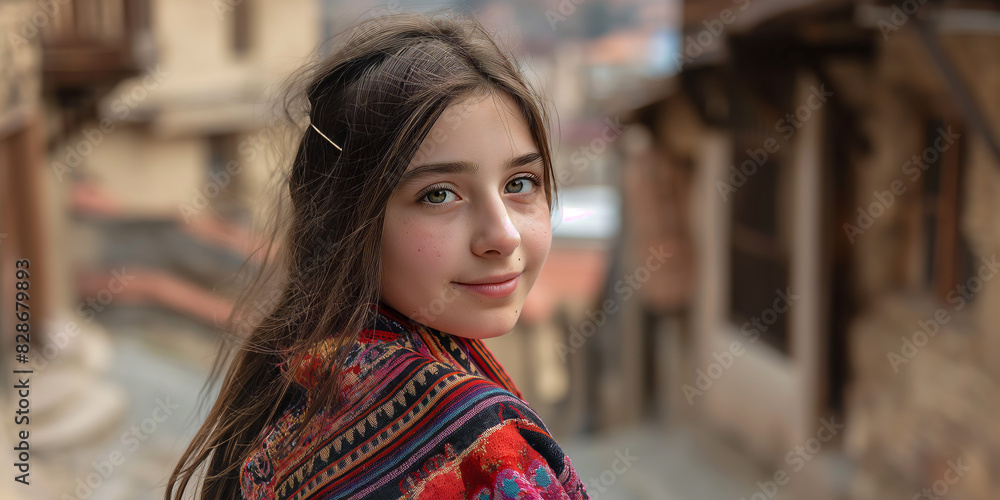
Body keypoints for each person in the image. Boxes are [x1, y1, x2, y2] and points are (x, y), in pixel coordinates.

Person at [165, 10, 589, 500]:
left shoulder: (296, 387)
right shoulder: (478, 449)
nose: (504, 236)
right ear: (347, 219)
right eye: (438, 195)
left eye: (520, 184)